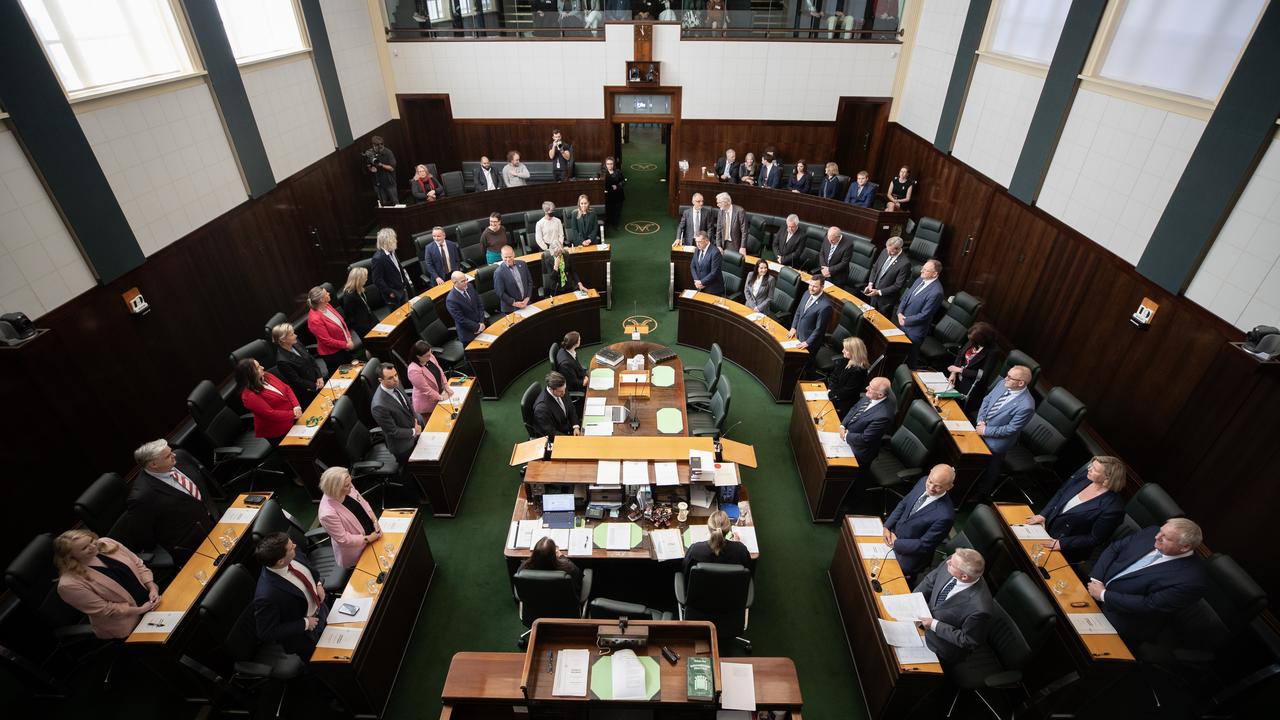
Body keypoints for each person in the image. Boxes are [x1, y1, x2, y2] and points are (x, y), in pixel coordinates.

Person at [1087, 518, 1209, 644]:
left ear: (1185, 547)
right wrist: (1097, 578)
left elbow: (1149, 604)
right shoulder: (1151, 532)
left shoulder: (1192, 581)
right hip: (1095, 587)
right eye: (1161, 531)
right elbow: (1115, 548)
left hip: (1122, 618)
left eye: (1165, 538)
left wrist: (1103, 595)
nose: (1157, 537)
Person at [54, 529, 159, 639]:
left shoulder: (107, 543)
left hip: (152, 599)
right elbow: (106, 609)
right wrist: (142, 609)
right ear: (70, 556)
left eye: (91, 540)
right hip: (130, 622)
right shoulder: (69, 584)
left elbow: (138, 564)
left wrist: (152, 588)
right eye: (84, 548)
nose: (93, 546)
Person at [127, 439, 219, 565]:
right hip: (192, 546)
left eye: (171, 452)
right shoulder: (142, 496)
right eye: (168, 456)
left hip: (214, 520)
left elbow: (203, 483)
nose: (174, 455)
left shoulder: (180, 456)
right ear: (153, 465)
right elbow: (145, 536)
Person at [1026, 457, 1127, 565]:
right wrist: (1044, 514)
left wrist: (1063, 544)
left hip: (1066, 547)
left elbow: (1095, 538)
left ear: (1108, 477)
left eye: (1095, 469)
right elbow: (1061, 493)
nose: (1089, 469)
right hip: (1046, 527)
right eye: (1091, 465)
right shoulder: (1084, 477)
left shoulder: (1113, 509)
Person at [252, 532, 329, 657]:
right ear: (281, 561)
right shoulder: (266, 595)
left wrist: (318, 583)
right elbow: (266, 632)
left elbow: (309, 568)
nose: (295, 545)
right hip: (307, 636)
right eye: (291, 547)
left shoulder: (291, 553)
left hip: (322, 609)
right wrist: (305, 624)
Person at [969, 365, 1037, 502]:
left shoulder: (1027, 406)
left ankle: (981, 494)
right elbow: (987, 400)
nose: (1005, 378)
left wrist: (986, 431)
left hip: (997, 442)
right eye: (1007, 375)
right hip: (982, 426)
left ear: (1021, 383)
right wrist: (981, 420)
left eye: (1010, 377)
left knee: (990, 468)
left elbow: (1011, 429)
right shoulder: (1003, 384)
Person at [914, 548, 994, 664]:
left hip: (939, 646)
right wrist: (912, 599)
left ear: (964, 576)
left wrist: (934, 625)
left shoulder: (980, 608)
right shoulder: (953, 561)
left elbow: (968, 640)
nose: (948, 562)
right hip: (920, 620)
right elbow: (930, 581)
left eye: (951, 564)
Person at [883, 464, 957, 584]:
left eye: (938, 486)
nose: (931, 488)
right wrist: (887, 526)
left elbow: (924, 545)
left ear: (949, 487)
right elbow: (904, 504)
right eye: (930, 481)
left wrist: (896, 543)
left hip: (911, 554)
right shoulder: (923, 481)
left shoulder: (945, 516)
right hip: (894, 534)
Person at [317, 467, 382, 570]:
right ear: (336, 489)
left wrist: (375, 521)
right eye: (347, 486)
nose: (351, 487)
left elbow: (364, 503)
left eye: (350, 482)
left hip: (373, 532)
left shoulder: (347, 485)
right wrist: (369, 538)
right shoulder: (327, 514)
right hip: (358, 549)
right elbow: (343, 539)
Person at [370, 362, 423, 465]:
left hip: (415, 427)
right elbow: (393, 431)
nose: (395, 379)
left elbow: (407, 404)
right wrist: (414, 431)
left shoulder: (395, 383)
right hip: (404, 445)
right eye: (390, 378)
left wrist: (416, 420)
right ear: (381, 380)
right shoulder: (379, 406)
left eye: (396, 375)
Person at [237, 358, 300, 441]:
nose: (262, 367)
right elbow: (270, 414)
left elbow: (287, 388)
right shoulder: (249, 396)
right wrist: (293, 414)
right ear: (250, 374)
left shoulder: (266, 375)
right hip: (279, 430)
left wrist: (296, 406)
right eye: (258, 367)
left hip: (294, 417)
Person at [897, 259, 944, 368]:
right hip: (902, 322)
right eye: (923, 268)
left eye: (926, 270)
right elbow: (906, 297)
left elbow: (925, 315)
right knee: (898, 354)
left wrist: (905, 320)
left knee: (909, 360)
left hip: (915, 331)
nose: (921, 271)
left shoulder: (936, 292)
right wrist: (899, 313)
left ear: (935, 274)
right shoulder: (920, 279)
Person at [840, 377, 895, 465]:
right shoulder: (871, 396)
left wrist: (846, 436)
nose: (866, 388)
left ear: (880, 395)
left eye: (871, 388)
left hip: (859, 450)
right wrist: (842, 425)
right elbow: (854, 408)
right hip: (847, 434)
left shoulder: (883, 416)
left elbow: (865, 439)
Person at [682, 511, 752, 577]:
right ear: (728, 529)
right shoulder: (741, 550)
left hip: (700, 588)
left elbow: (685, 571)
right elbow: (748, 571)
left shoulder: (695, 549)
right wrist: (737, 545)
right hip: (732, 588)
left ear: (709, 528)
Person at [273, 322, 324, 407]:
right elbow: (296, 380)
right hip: (308, 391)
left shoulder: (296, 342)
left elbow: (310, 358)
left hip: (318, 379)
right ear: (283, 340)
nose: (295, 335)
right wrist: (315, 386)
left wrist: (319, 376)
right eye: (292, 334)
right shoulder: (282, 361)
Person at [789, 277, 832, 376]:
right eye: (810, 285)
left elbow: (819, 329)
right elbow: (799, 312)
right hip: (798, 335)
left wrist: (808, 342)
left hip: (809, 343)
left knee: (804, 368)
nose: (811, 288)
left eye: (815, 286)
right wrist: (793, 327)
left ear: (822, 287)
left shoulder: (825, 306)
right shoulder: (806, 293)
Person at [308, 285, 356, 366]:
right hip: (333, 354)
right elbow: (327, 341)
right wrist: (346, 345)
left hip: (344, 345)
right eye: (326, 293)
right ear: (321, 300)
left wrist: (349, 338)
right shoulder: (314, 320)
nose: (329, 293)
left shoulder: (327, 305)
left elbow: (342, 323)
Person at [946, 321, 997, 396]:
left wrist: (959, 370)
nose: (970, 342)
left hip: (971, 385)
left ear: (982, 340)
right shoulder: (973, 340)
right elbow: (960, 356)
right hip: (957, 378)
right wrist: (953, 373)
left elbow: (983, 375)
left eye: (973, 341)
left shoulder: (993, 352)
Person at [864, 236, 911, 316]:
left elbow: (898, 285)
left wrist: (879, 292)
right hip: (873, 293)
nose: (888, 253)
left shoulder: (905, 263)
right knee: (868, 318)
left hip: (886, 301)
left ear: (898, 249)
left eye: (891, 252)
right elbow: (875, 268)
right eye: (887, 250)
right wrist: (870, 283)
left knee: (879, 323)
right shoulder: (885, 251)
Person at [519, 537, 583, 594]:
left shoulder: (524, 568)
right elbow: (579, 578)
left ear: (535, 553)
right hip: (563, 603)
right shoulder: (568, 568)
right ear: (554, 555)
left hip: (535, 602)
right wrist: (561, 556)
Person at [827, 336, 870, 419]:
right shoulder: (845, 360)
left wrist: (831, 394)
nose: (842, 351)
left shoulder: (859, 371)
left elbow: (847, 392)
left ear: (854, 352)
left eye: (846, 350)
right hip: (834, 394)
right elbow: (834, 376)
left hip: (845, 404)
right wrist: (830, 389)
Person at [407, 339, 453, 416]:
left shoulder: (430, 357)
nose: (430, 355)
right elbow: (426, 390)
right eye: (427, 355)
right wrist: (441, 398)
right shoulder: (414, 370)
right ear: (418, 356)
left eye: (430, 352)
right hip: (428, 404)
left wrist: (446, 387)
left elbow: (440, 372)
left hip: (441, 393)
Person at [370, 228, 414, 307]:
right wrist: (390, 292)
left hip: (403, 289)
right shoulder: (378, 258)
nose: (396, 241)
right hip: (394, 296)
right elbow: (377, 280)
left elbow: (398, 269)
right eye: (394, 239)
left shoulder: (392, 251)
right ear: (387, 241)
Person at [533, 371, 581, 438]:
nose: (564, 393)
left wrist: (575, 426)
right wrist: (569, 439)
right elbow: (550, 432)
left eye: (564, 389)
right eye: (561, 391)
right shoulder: (541, 409)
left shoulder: (561, 388)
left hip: (569, 427)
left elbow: (571, 407)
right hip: (559, 436)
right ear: (551, 389)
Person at [445, 271, 486, 345]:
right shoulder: (451, 299)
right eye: (463, 281)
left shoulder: (470, 286)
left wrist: (481, 322)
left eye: (466, 279)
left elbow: (480, 305)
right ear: (455, 283)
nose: (466, 282)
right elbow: (461, 319)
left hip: (481, 326)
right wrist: (477, 327)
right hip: (468, 334)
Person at [339, 266, 379, 338]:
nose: (366, 279)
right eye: (365, 278)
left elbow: (365, 306)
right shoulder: (349, 296)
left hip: (370, 318)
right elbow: (350, 318)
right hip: (364, 327)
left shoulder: (359, 289)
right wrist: (366, 328)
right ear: (358, 280)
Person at [495, 245, 534, 314]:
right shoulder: (498, 272)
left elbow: (530, 282)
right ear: (501, 256)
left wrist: (527, 297)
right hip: (511, 308)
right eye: (505, 257)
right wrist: (514, 303)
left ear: (514, 254)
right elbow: (500, 293)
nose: (508, 259)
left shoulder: (522, 264)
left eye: (510, 257)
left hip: (526, 303)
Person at [689, 232, 724, 296]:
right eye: (696, 242)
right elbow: (692, 266)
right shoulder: (697, 249)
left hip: (712, 289)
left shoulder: (715, 252)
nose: (697, 244)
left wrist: (702, 282)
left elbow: (714, 273)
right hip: (699, 286)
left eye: (700, 242)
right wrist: (696, 280)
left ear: (707, 241)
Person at [366, 135, 397, 206]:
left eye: (382, 144)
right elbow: (367, 166)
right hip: (377, 183)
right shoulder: (370, 153)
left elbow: (392, 168)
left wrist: (381, 165)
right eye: (378, 145)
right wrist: (370, 169)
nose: (380, 146)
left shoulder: (388, 152)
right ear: (373, 145)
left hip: (389, 181)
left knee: (395, 201)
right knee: (383, 203)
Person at [603, 156, 626, 229]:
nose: (610, 165)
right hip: (608, 195)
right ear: (605, 164)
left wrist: (617, 186)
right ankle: (610, 223)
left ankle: (615, 224)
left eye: (611, 164)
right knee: (609, 210)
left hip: (618, 195)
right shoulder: (603, 173)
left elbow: (623, 181)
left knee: (617, 210)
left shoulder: (618, 172)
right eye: (608, 164)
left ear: (613, 164)